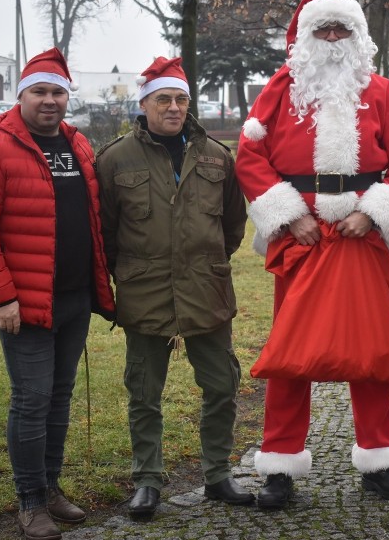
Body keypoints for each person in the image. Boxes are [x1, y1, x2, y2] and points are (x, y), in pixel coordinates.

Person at [235, 0, 389, 509]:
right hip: (301, 236)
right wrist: (290, 215)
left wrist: (373, 213)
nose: (334, 40)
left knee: (371, 348)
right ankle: (279, 464)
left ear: (358, 36)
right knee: (290, 353)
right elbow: (250, 156)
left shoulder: (383, 92)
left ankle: (380, 459)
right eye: (324, 31)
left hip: (363, 234)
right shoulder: (280, 91)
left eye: (343, 30)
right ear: (306, 38)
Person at [0, 47, 116, 540]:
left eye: (57, 92)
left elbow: (91, 217)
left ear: (67, 97)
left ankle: (49, 488)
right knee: (31, 398)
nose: (50, 101)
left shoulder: (78, 145)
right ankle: (29, 501)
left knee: (59, 397)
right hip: (23, 304)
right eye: (40, 92)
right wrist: (1, 296)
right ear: (20, 95)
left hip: (73, 298)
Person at [95, 57, 251, 517]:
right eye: (163, 98)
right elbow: (103, 232)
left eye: (181, 99)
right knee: (144, 392)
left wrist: (203, 263)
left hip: (207, 292)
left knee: (222, 385)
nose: (174, 107)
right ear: (144, 103)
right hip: (146, 294)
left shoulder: (216, 156)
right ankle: (147, 480)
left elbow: (232, 226)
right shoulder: (115, 158)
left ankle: (218, 474)